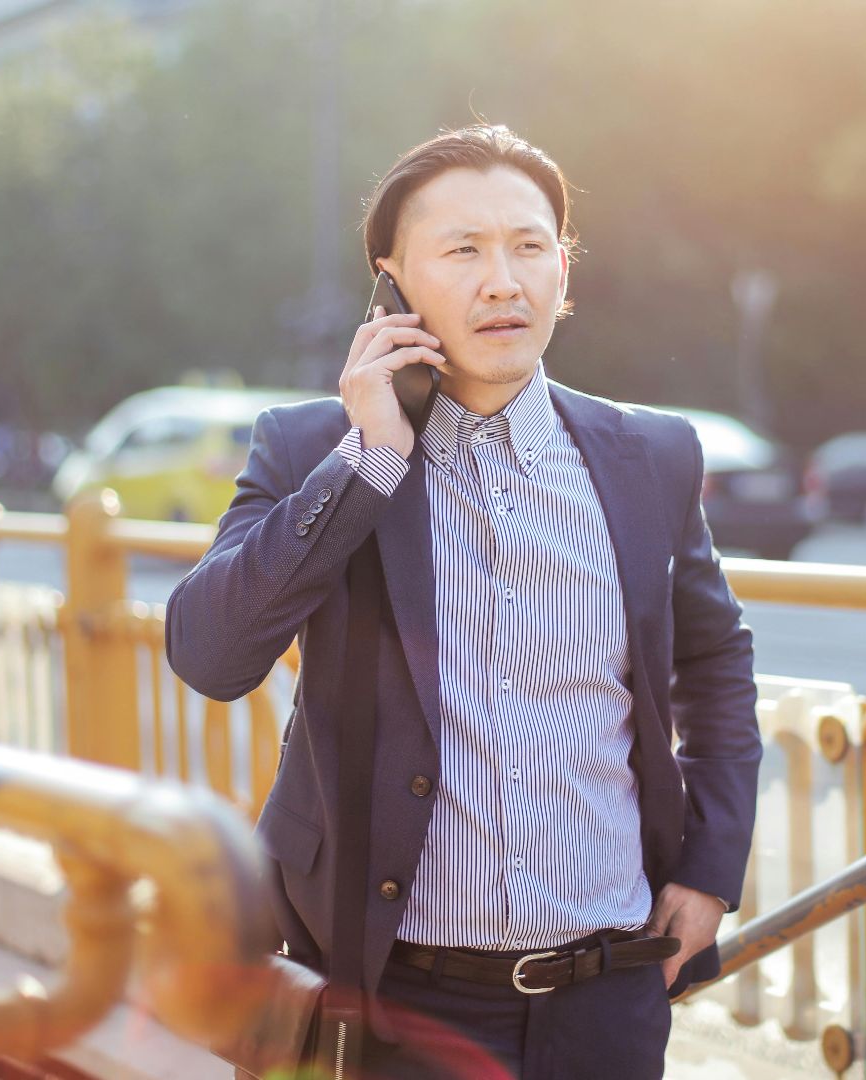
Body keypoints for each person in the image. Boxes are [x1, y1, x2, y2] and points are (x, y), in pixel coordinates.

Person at [165, 124, 761, 1079]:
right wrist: (369, 459)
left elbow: (717, 665)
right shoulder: (310, 447)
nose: (503, 281)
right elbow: (210, 654)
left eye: (530, 246)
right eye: (463, 250)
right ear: (392, 278)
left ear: (565, 269)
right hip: (392, 998)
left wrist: (711, 869)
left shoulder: (648, 457)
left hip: (608, 996)